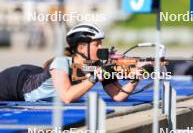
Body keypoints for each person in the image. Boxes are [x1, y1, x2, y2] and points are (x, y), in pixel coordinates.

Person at [0, 24, 142, 102]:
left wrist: (135, 80)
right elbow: (67, 97)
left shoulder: (99, 65)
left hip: (34, 75)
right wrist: (94, 78)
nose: (101, 48)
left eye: (101, 44)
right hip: (14, 82)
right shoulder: (61, 62)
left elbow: (118, 96)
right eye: (96, 44)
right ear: (81, 48)